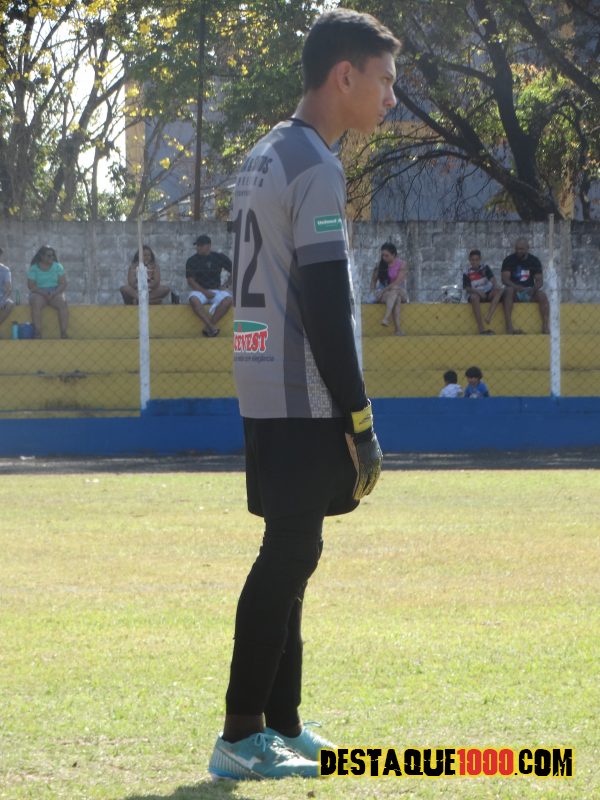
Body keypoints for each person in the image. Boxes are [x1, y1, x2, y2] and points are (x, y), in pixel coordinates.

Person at [208, 8, 395, 782]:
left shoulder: (268, 152)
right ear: (344, 76)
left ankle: (280, 724)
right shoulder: (317, 163)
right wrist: (361, 419)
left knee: (296, 551)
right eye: (384, 80)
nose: (391, 97)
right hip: (301, 392)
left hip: (262, 380)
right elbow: (322, 300)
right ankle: (241, 734)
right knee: (287, 554)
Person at [185, 234, 233, 337]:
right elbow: (190, 281)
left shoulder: (219, 257)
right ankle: (212, 327)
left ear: (208, 246)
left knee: (228, 300)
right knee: (193, 299)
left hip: (216, 290)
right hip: (199, 290)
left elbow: (235, 270)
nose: (198, 248)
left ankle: (209, 327)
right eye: (197, 245)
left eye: (201, 245)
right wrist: (205, 292)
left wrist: (226, 285)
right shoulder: (192, 260)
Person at [501, 237, 550, 334]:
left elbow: (539, 281)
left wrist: (533, 289)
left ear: (527, 248)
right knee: (508, 291)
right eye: (517, 249)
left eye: (521, 249)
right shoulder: (508, 260)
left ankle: (545, 326)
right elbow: (505, 279)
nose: (519, 251)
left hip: (529, 291)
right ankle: (509, 327)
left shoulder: (534, 261)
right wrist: (515, 287)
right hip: (514, 292)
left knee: (542, 295)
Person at [27, 246, 68, 338]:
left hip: (55, 291)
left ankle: (64, 333)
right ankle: (38, 333)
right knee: (36, 303)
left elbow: (63, 283)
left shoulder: (58, 266)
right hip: (38, 292)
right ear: (41, 256)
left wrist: (54, 292)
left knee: (62, 302)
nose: (51, 257)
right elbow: (31, 286)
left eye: (52, 255)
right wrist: (43, 292)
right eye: (48, 255)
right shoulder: (34, 268)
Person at [463, 249, 504, 335]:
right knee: (474, 297)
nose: (474, 262)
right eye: (472, 260)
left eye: (476, 260)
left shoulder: (485, 268)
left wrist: (494, 286)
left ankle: (489, 315)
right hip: (476, 293)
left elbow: (492, 279)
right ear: (469, 260)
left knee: (499, 291)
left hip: (487, 292)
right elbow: (467, 288)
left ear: (480, 259)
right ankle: (481, 327)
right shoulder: (467, 272)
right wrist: (478, 291)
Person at [377, 242, 408, 335]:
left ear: (394, 255)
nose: (384, 258)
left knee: (395, 288)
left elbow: (397, 282)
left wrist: (383, 291)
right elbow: (373, 281)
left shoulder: (402, 264)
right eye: (383, 255)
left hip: (400, 291)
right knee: (396, 298)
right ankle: (398, 330)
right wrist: (374, 292)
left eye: (387, 255)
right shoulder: (380, 265)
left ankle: (386, 318)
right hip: (388, 294)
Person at [0, 248, 15, 334]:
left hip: (1, 297)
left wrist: (3, 300)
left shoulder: (5, 270)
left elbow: (8, 288)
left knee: (10, 304)